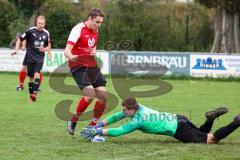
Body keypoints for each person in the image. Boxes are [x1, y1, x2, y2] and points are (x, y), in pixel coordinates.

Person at [81, 97, 240, 144]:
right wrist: (100, 123)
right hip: (178, 119)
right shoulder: (138, 107)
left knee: (211, 139)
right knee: (202, 132)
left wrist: (98, 131)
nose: (122, 112)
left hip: (179, 129)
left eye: (125, 110)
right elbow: (117, 117)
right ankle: (210, 118)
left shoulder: (138, 120)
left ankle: (236, 122)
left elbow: (120, 131)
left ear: (132, 109)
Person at [64, 9, 107, 135]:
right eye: (97, 22)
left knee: (103, 97)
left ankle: (92, 126)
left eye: (101, 23)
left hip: (91, 65)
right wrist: (73, 57)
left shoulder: (96, 30)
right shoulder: (78, 29)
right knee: (90, 95)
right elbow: (67, 51)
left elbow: (92, 46)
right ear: (89, 19)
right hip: (78, 66)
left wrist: (94, 51)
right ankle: (74, 119)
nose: (99, 25)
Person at [12, 15, 51, 102]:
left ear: (45, 24)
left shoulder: (46, 33)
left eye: (43, 24)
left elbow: (48, 45)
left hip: (40, 57)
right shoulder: (30, 30)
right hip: (30, 57)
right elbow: (20, 39)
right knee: (31, 78)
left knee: (37, 74)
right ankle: (31, 96)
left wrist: (46, 50)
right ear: (36, 23)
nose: (41, 25)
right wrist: (16, 50)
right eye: (40, 23)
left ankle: (35, 93)